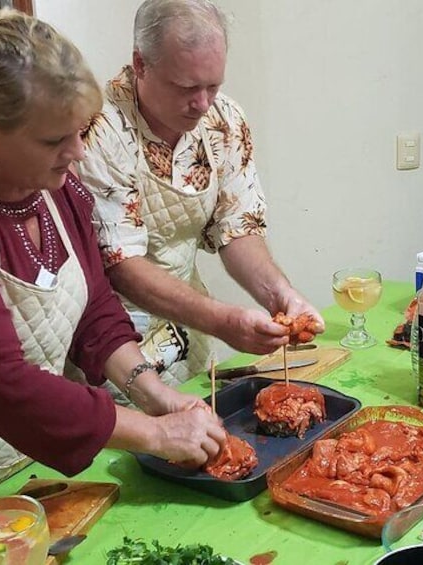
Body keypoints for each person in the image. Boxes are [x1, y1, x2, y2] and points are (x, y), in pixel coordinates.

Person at [0, 8, 226, 486]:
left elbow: (94, 308)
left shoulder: (58, 191)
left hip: (34, 465)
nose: (78, 151)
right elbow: (4, 386)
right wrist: (157, 436)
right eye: (56, 138)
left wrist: (154, 393)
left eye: (80, 130)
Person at [78, 0, 323, 394]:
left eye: (214, 85)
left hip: (188, 334)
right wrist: (223, 321)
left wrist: (280, 294)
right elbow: (121, 265)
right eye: (188, 87)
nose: (204, 103)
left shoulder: (223, 120)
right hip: (116, 345)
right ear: (141, 64)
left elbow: (237, 227)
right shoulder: (99, 130)